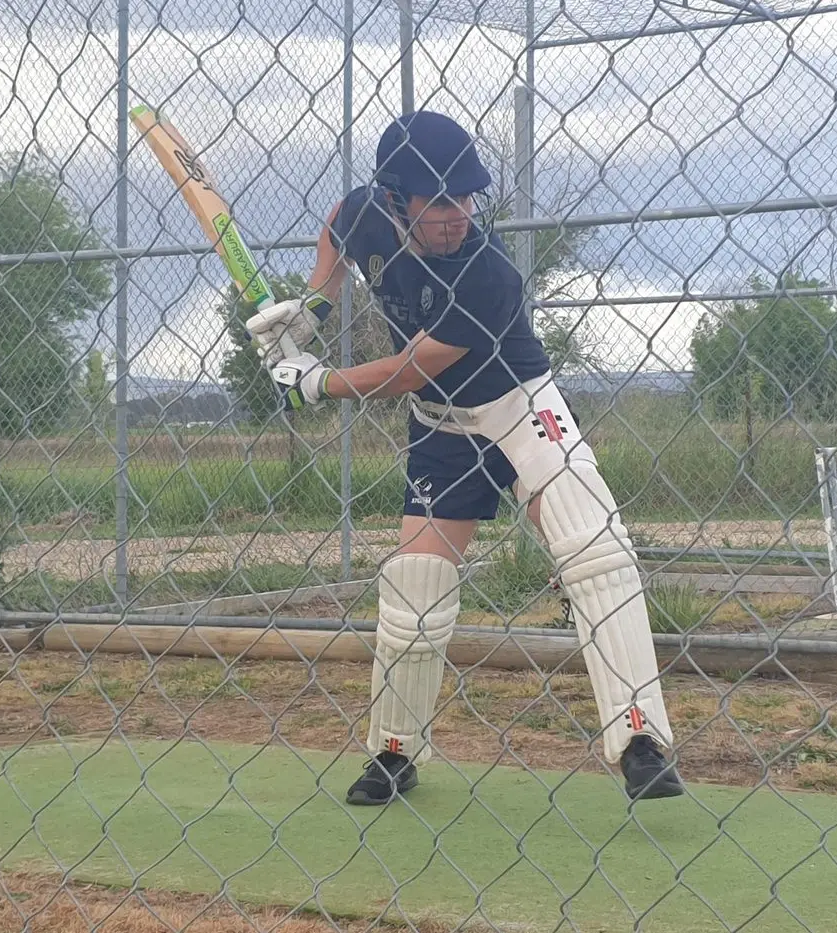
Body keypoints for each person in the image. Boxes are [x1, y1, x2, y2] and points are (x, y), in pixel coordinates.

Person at [244, 110, 683, 806]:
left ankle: (639, 741)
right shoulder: (369, 210)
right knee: (415, 582)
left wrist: (317, 381)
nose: (459, 213)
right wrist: (315, 307)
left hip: (517, 405)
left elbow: (409, 369)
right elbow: (336, 222)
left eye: (467, 196)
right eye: (440, 201)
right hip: (442, 428)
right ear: (397, 200)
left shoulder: (486, 274)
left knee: (593, 546)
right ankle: (393, 753)